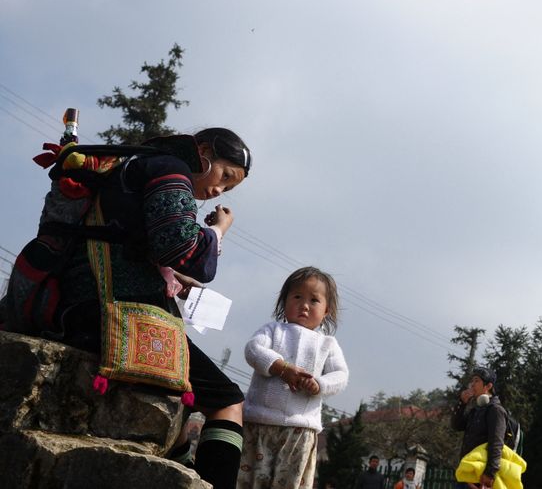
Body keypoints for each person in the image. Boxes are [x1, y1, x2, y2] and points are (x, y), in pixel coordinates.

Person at [1, 128, 252, 489]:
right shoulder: (171, 170)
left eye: (228, 190)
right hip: (112, 317)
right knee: (228, 400)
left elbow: (124, 243)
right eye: (223, 176)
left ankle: (187, 476)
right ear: (202, 151)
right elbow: (183, 250)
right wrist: (218, 234)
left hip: (68, 306)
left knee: (176, 404)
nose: (218, 190)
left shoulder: (131, 164)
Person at [237, 266, 350, 489]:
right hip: (258, 424)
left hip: (300, 430)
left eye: (314, 300)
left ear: (326, 310)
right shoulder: (272, 330)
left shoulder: (327, 344)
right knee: (248, 482)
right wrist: (282, 368)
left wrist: (319, 384)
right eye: (297, 296)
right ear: (284, 300)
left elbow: (341, 375)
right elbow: (253, 350)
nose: (304, 305)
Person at [451, 367, 508, 489]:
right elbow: (456, 426)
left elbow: (496, 444)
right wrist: (462, 403)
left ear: (488, 386)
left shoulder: (495, 410)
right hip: (467, 474)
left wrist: (489, 474)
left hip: (480, 478)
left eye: (476, 381)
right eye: (472, 381)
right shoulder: (476, 410)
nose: (472, 385)